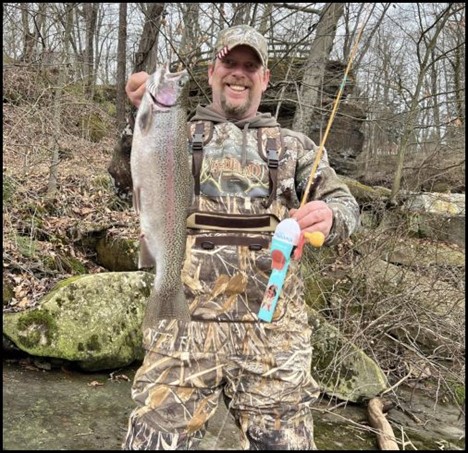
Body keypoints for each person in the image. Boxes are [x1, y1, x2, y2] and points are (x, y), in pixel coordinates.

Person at [119, 24, 360, 450]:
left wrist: (332, 216)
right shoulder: (175, 131)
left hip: (273, 336)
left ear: (265, 78)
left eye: (251, 66)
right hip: (182, 326)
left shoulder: (294, 146)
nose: (239, 73)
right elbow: (127, 176)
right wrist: (140, 118)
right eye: (230, 62)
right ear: (213, 71)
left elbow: (344, 201)